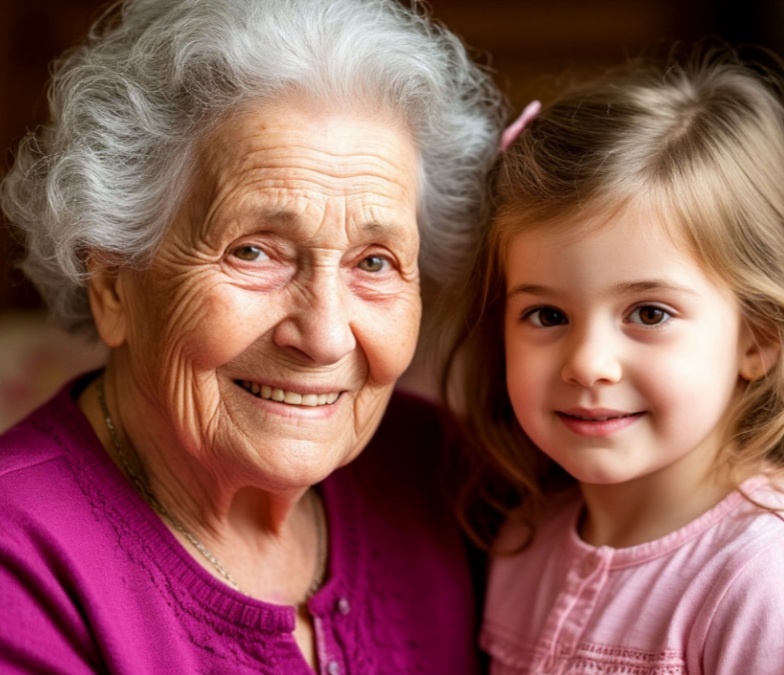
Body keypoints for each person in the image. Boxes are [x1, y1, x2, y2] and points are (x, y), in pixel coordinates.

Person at [0, 0, 503, 671]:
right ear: (113, 282)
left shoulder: (447, 476)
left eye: (375, 262)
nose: (324, 336)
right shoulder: (20, 560)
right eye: (255, 252)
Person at [445, 46, 784, 673]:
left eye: (649, 313)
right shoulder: (522, 539)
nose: (589, 364)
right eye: (547, 316)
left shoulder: (773, 576)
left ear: (757, 338)